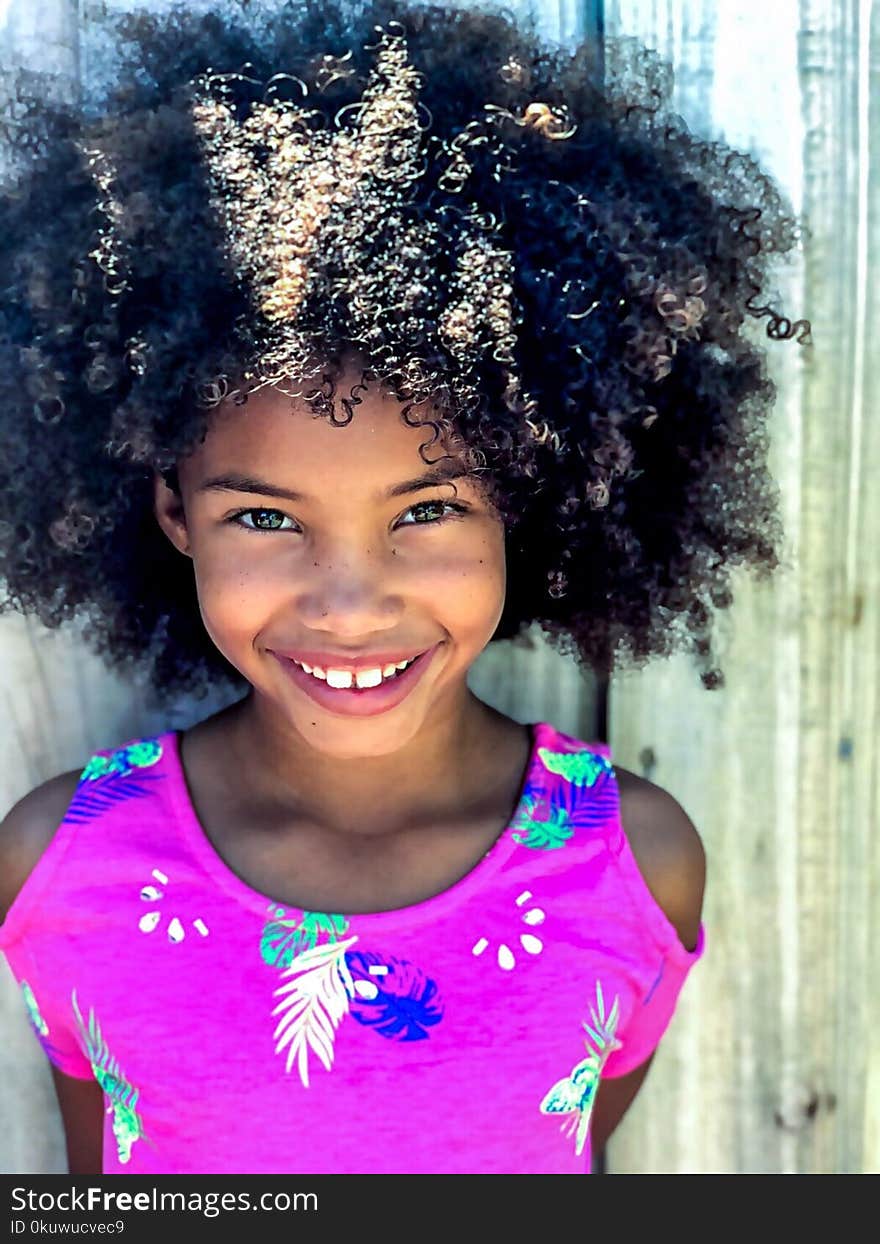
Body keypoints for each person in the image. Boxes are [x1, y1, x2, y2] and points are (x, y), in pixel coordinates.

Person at [0, 0, 809, 1175]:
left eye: (426, 509)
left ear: (522, 499)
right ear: (173, 512)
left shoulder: (632, 864)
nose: (347, 602)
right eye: (265, 516)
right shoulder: (61, 865)